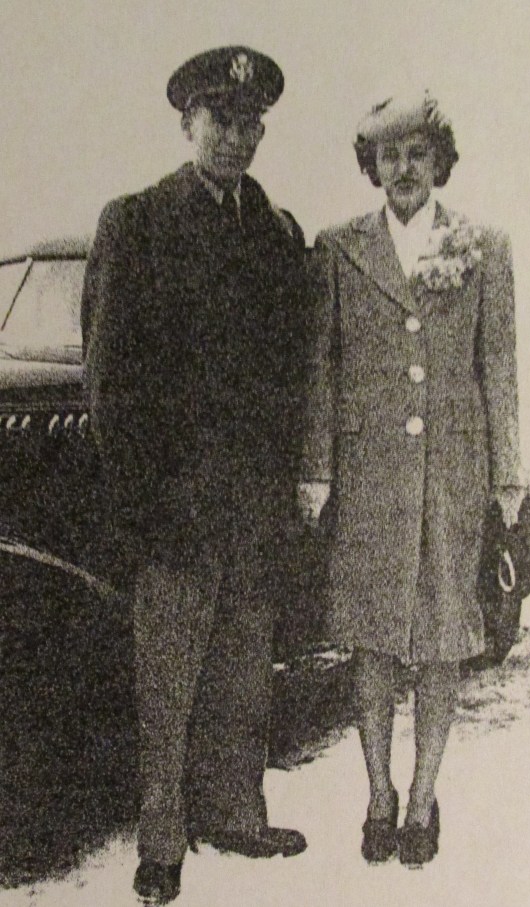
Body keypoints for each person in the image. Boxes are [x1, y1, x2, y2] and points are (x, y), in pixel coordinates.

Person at [82, 46, 309, 905]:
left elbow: (291, 372)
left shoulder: (277, 232)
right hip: (175, 504)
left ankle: (236, 812)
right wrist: (142, 505)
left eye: (250, 123)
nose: (236, 138)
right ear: (188, 123)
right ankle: (161, 841)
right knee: (168, 678)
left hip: (254, 504)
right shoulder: (135, 221)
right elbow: (110, 382)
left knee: (247, 667)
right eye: (220, 120)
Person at [299, 91, 524, 866]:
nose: (403, 167)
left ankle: (423, 795)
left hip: (451, 478)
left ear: (439, 161)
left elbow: (497, 364)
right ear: (371, 165)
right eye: (388, 154)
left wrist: (507, 474)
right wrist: (316, 471)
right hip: (367, 481)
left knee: (438, 643)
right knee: (369, 642)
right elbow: (320, 370)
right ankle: (377, 792)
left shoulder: (482, 245)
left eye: (417, 152)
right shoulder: (337, 247)